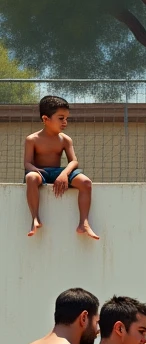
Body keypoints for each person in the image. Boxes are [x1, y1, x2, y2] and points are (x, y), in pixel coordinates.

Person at [24, 95, 99, 240]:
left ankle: (84, 222)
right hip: (41, 172)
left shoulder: (65, 139)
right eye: (61, 118)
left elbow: (74, 161)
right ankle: (35, 218)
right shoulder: (32, 139)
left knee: (86, 183)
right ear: (46, 119)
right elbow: (27, 163)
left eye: (66, 118)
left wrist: (64, 174)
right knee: (30, 177)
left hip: (59, 172)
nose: (65, 122)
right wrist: (34, 169)